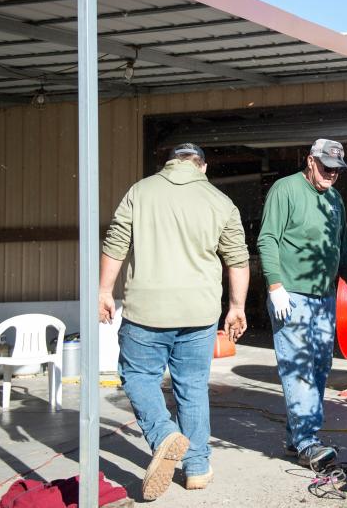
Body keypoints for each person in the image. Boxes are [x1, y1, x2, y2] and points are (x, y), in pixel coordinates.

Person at [98, 143, 249, 500]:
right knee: (192, 387)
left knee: (137, 377)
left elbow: (116, 242)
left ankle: (164, 434)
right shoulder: (219, 201)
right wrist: (237, 306)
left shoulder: (141, 191)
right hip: (199, 313)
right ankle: (196, 468)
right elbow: (237, 259)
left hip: (147, 311)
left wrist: (104, 290)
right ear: (203, 167)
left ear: (169, 162)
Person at [257, 138, 347, 471]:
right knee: (298, 367)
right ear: (310, 161)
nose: (331, 175)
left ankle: (297, 437)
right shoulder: (285, 189)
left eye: (336, 170)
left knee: (319, 368)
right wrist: (275, 285)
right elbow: (267, 239)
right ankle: (307, 441)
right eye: (326, 167)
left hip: (324, 298)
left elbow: (342, 244)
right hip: (292, 295)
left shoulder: (335, 199)